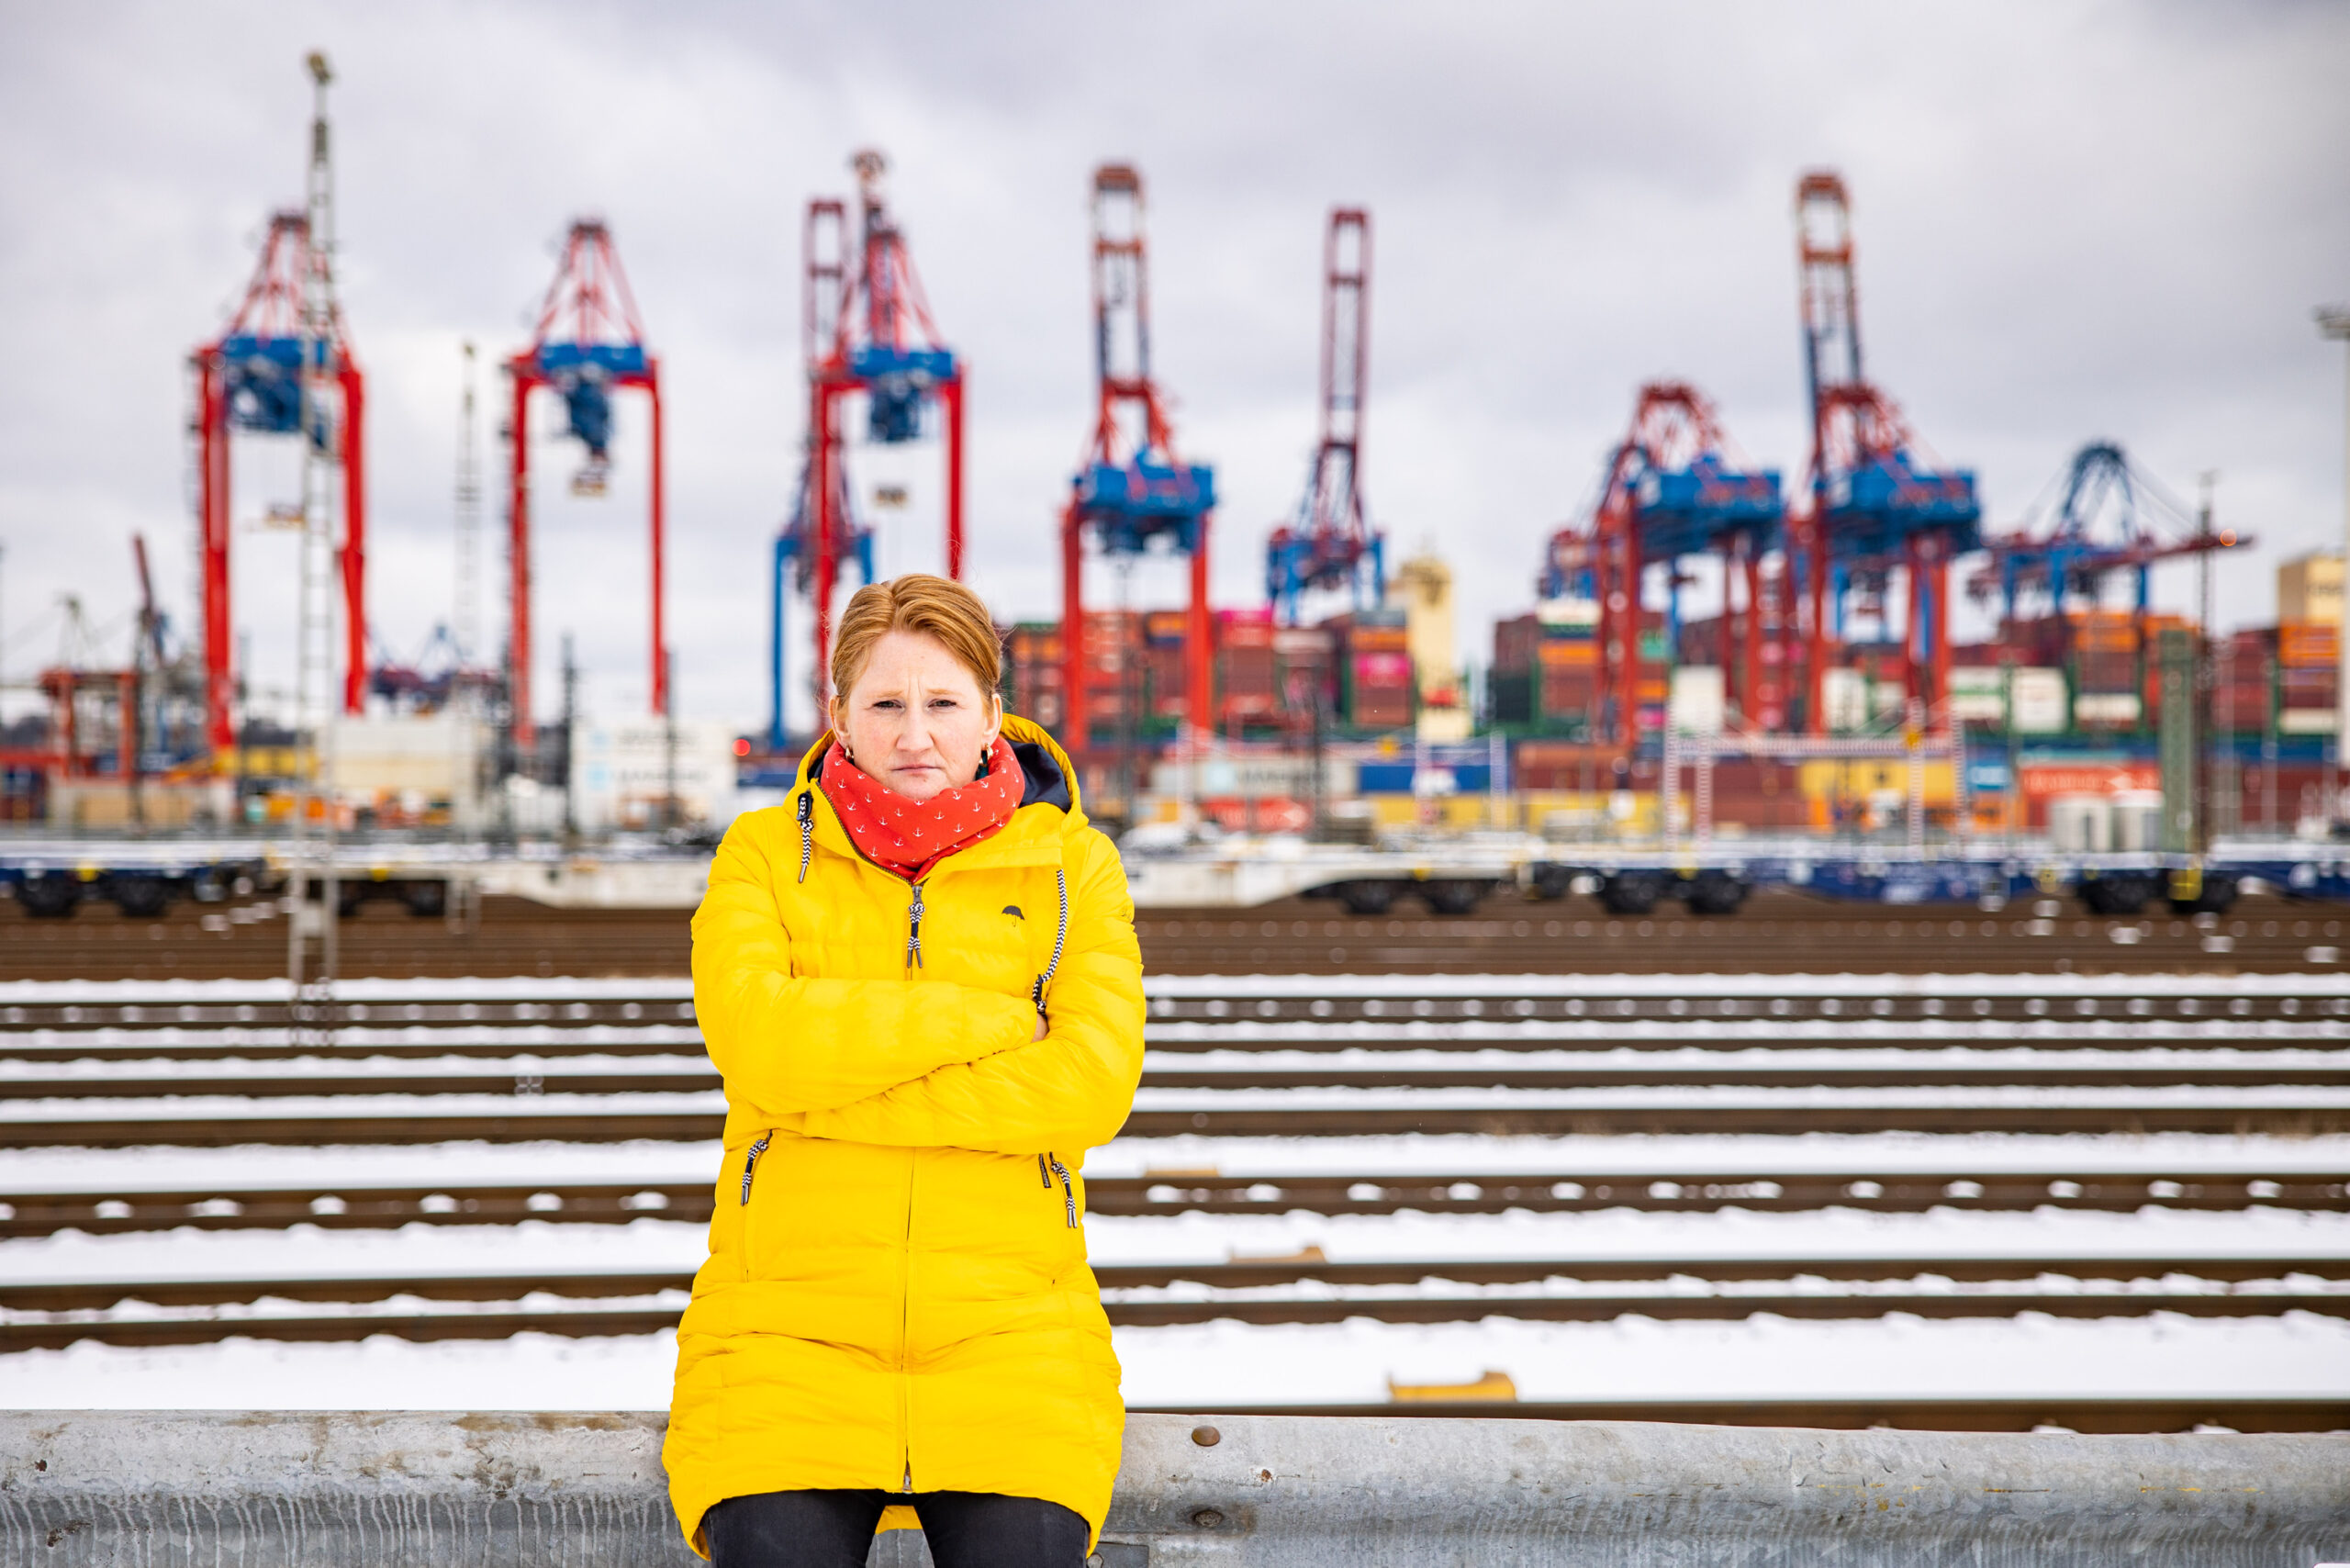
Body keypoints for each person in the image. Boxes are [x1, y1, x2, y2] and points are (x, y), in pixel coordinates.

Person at [664, 574, 1146, 1568]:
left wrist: (829, 1091)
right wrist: (994, 1024)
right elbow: (757, 1042)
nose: (913, 734)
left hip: (1014, 1332)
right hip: (783, 1334)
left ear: (991, 718)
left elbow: (1089, 1086)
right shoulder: (762, 854)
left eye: (942, 703)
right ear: (839, 716)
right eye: (885, 704)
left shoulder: (1073, 869)